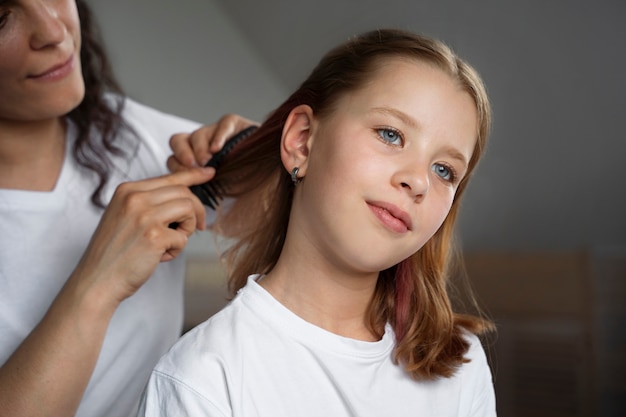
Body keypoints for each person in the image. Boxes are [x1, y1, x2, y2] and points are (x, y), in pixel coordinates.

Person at [138, 28, 496, 417]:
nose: (419, 181)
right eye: (391, 135)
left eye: (444, 170)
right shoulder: (204, 379)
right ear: (303, 140)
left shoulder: (461, 363)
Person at [0, 1, 254, 416]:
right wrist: (98, 282)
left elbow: (303, 223)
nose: (53, 29)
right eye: (1, 17)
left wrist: (268, 165)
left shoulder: (133, 134)